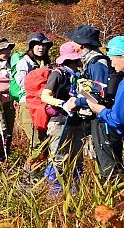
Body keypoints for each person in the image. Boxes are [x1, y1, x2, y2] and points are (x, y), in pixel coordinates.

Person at [41, 41, 90, 194]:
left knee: (77, 157)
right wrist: (62, 103)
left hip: (77, 121)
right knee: (59, 157)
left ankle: (75, 191)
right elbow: (45, 96)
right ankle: (54, 192)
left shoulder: (79, 75)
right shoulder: (58, 73)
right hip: (60, 121)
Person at [77, 28, 123, 182]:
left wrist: (81, 101)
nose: (111, 62)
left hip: (106, 122)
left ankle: (113, 199)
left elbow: (115, 115)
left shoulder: (97, 64)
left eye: (113, 58)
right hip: (108, 121)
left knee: (110, 168)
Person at [14, 33, 54, 169]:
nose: (41, 48)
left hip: (43, 105)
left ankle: (39, 170)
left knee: (44, 140)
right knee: (36, 141)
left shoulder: (46, 62)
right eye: (38, 45)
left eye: (44, 45)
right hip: (28, 104)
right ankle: (31, 172)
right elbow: (21, 82)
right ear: (31, 46)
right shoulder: (24, 62)